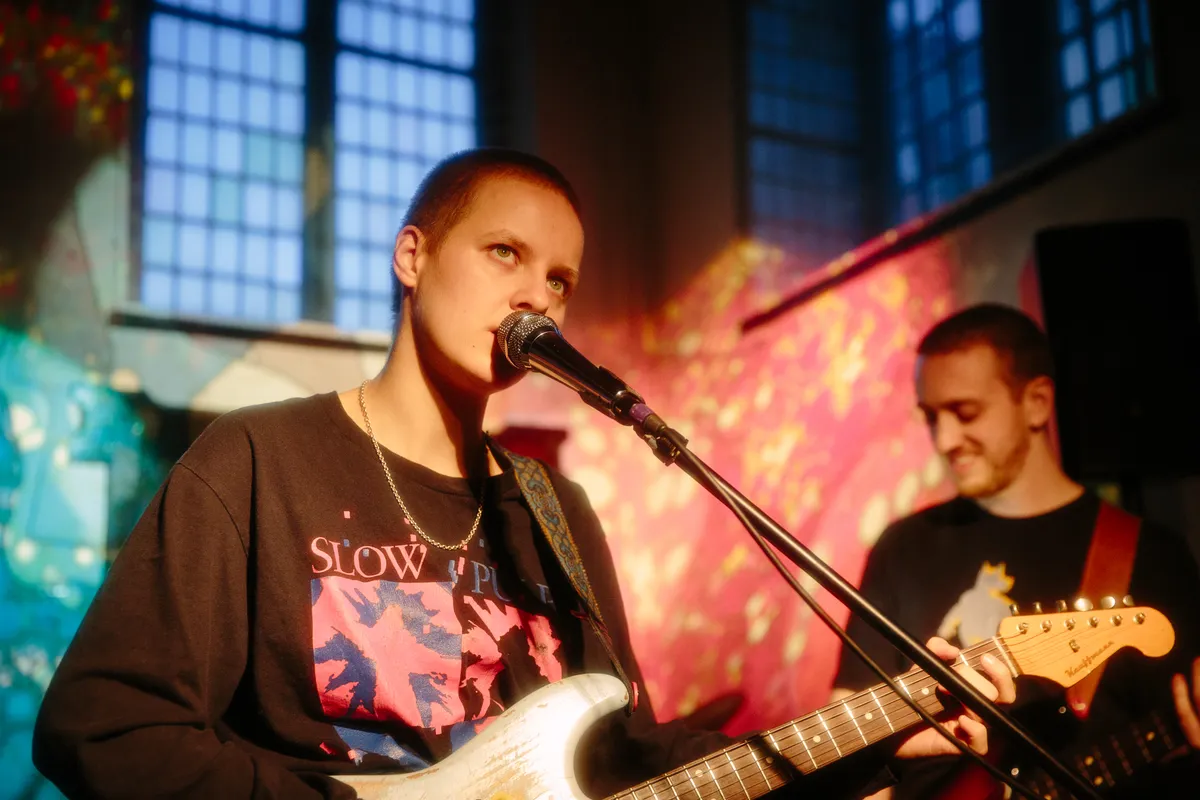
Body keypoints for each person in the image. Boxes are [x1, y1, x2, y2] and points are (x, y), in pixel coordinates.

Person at [33, 148, 1014, 799]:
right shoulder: (257, 460)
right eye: (504, 252)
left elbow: (632, 757)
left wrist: (873, 736)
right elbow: (103, 724)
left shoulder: (555, 510)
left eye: (559, 280)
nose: (534, 296)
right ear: (412, 256)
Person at [832, 303, 1200, 799]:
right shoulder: (902, 547)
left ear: (1037, 403)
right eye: (931, 417)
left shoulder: (1152, 554)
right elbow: (854, 740)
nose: (945, 439)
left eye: (966, 413)